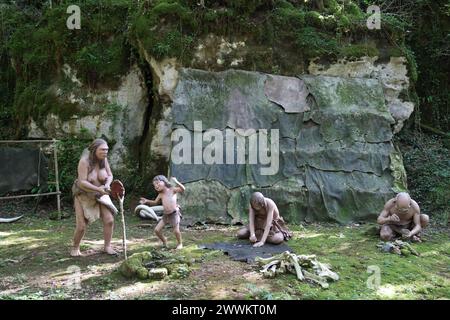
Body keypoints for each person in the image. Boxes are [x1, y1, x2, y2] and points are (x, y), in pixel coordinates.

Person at [71, 139, 118, 257]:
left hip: (101, 194)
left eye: (107, 149)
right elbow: (82, 182)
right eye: (102, 149)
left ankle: (107, 246)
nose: (105, 152)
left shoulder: (104, 160)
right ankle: (75, 247)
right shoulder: (84, 161)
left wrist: (107, 184)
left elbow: (110, 175)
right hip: (83, 195)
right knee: (81, 226)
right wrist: (98, 189)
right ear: (94, 149)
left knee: (109, 220)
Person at [139, 175, 185, 249]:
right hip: (166, 215)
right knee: (157, 230)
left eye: (157, 183)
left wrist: (176, 182)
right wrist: (147, 201)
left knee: (176, 231)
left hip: (174, 214)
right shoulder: (160, 194)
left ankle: (180, 243)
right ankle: (164, 241)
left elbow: (183, 189)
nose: (156, 186)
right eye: (154, 185)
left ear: (164, 182)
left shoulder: (172, 189)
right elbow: (155, 202)